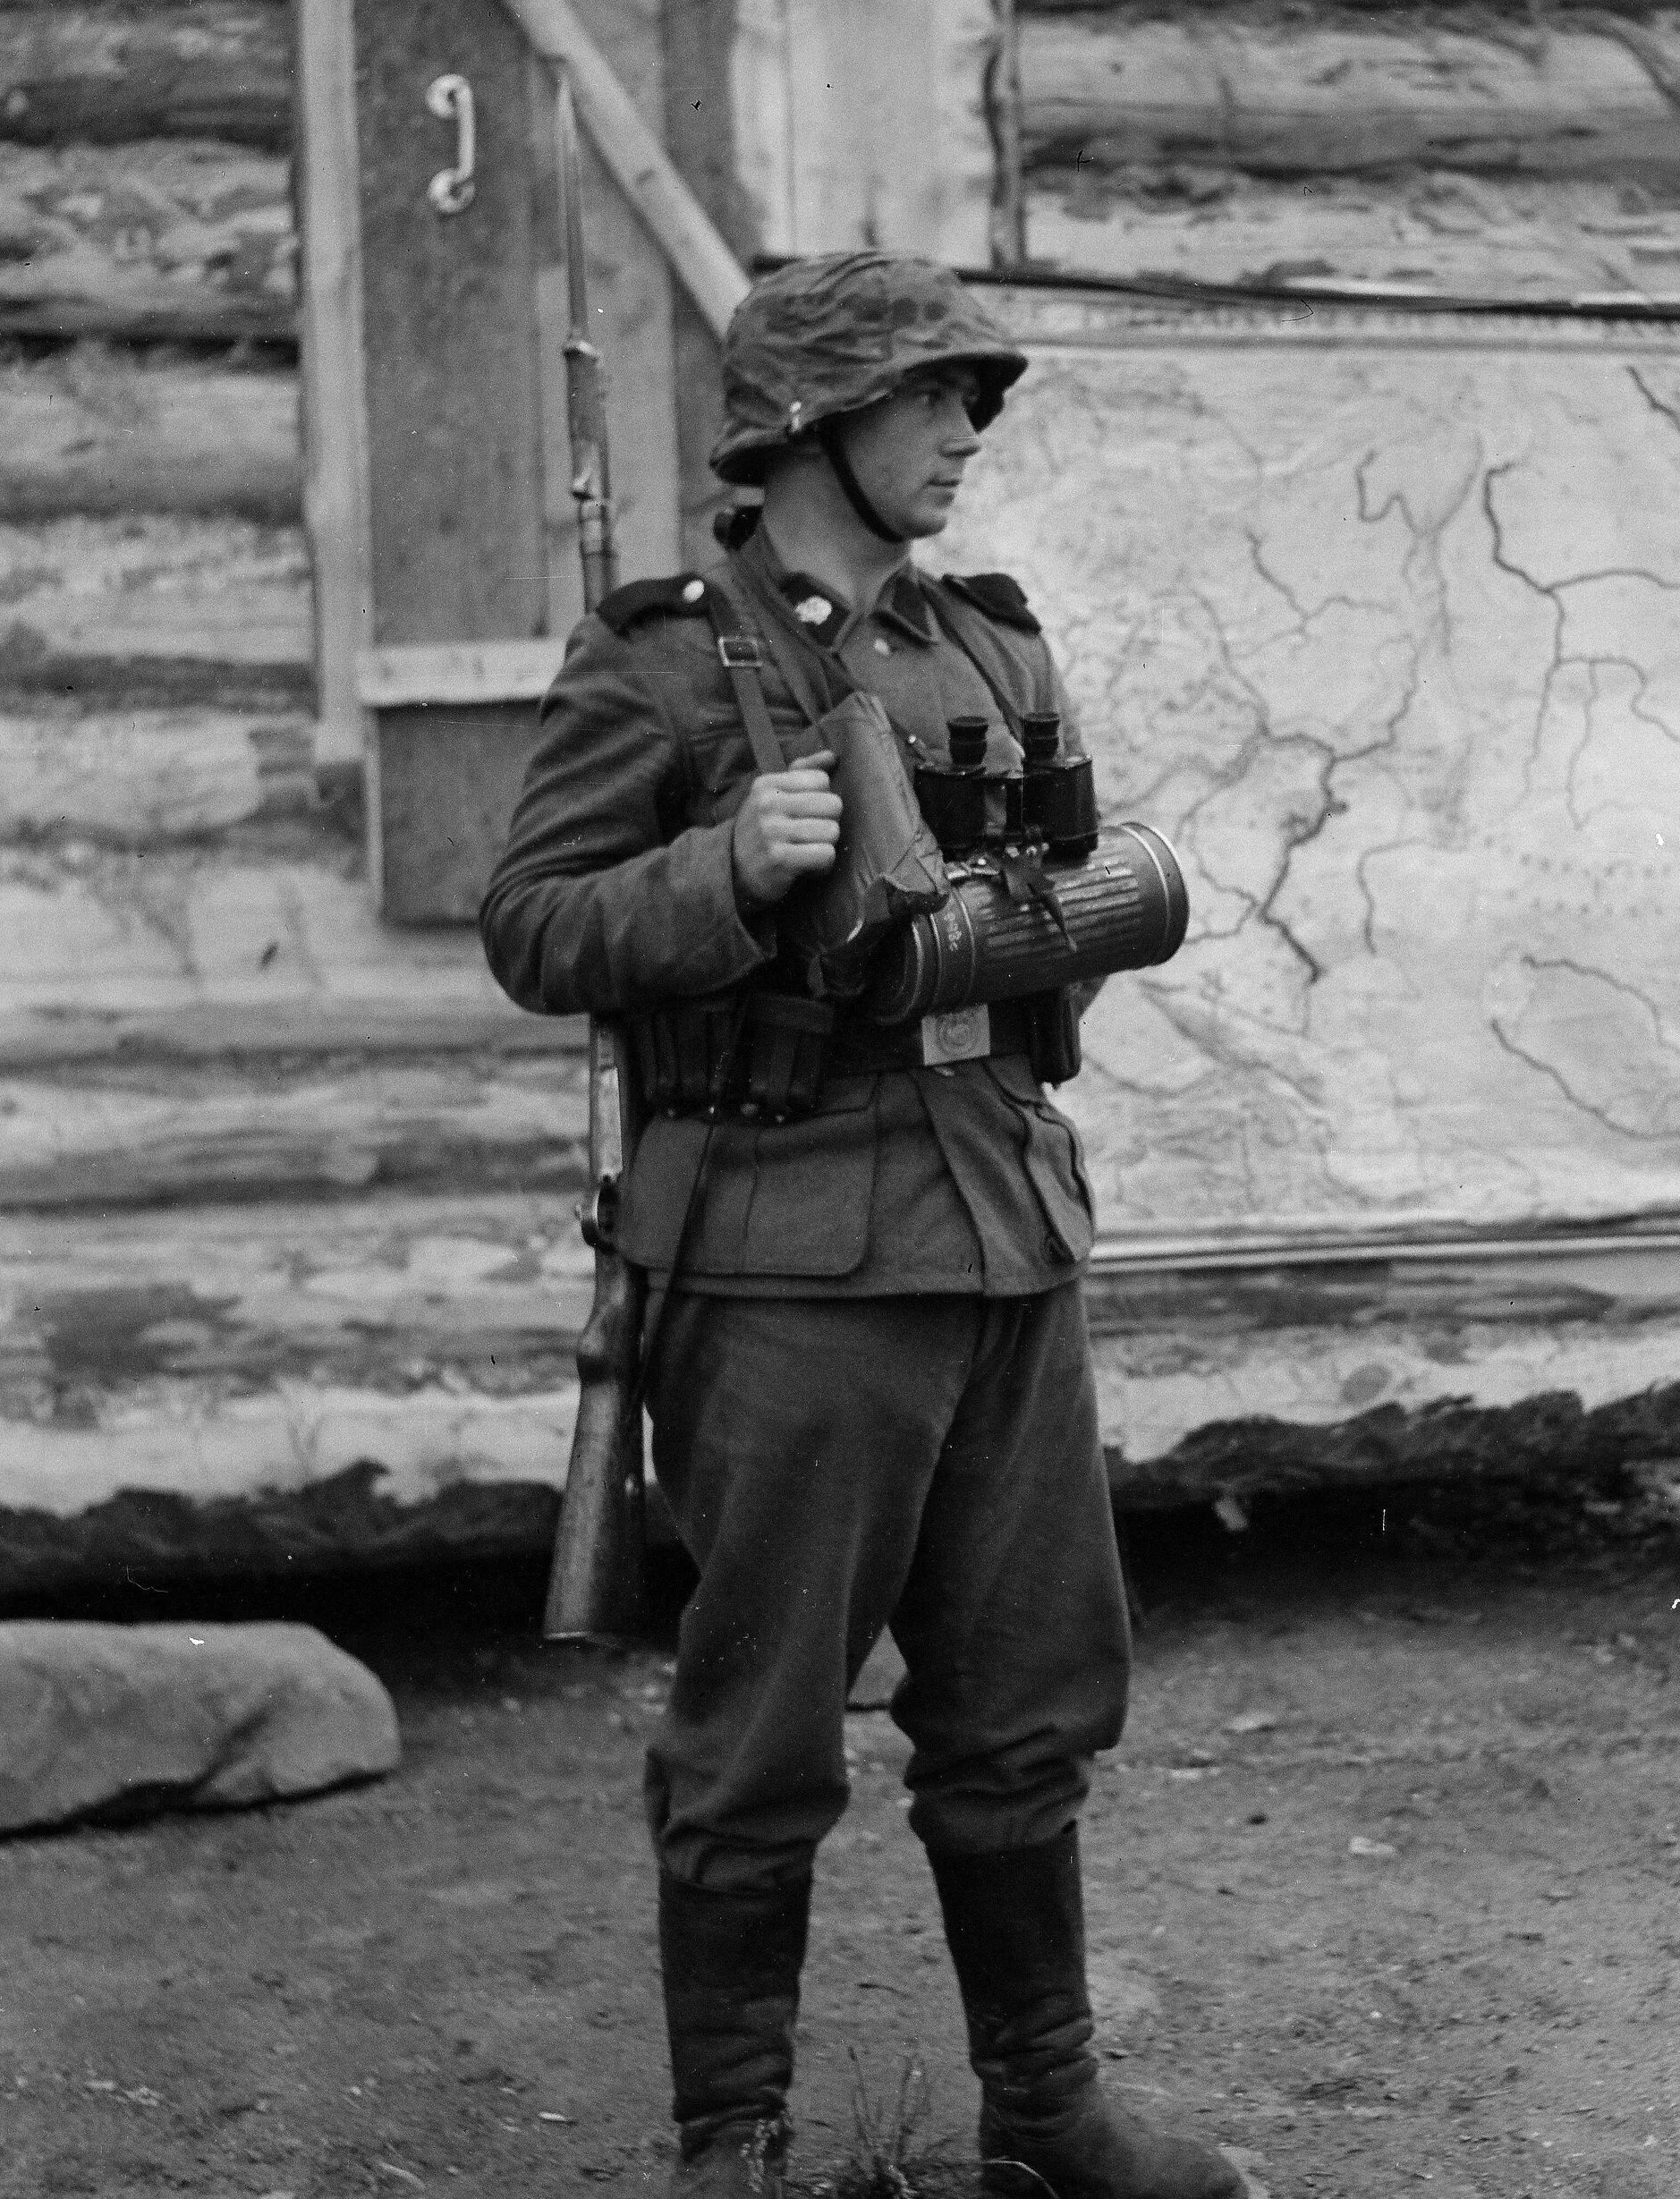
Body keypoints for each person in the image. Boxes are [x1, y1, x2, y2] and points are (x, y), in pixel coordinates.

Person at [479, 252, 1243, 2199]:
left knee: (1024, 1705)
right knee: (761, 1741)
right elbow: (535, 926)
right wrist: (721, 867)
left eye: (974, 397)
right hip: (788, 1258)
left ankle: (1047, 2121)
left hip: (1004, 1230)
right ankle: (732, 2149)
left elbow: (1045, 893)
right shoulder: (660, 657)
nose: (965, 432)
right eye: (929, 398)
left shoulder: (992, 647)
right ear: (812, 424)